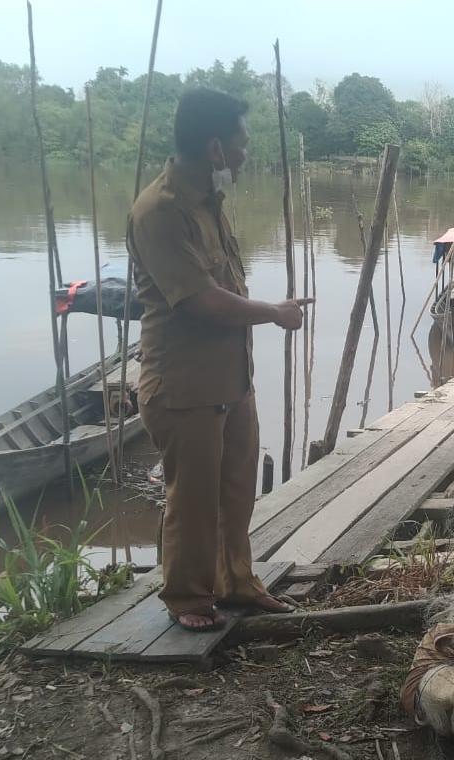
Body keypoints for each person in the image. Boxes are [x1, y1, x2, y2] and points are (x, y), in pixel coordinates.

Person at [127, 88, 311, 631]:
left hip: (232, 380)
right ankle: (186, 597)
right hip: (184, 386)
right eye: (241, 143)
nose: (245, 153)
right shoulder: (160, 211)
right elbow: (202, 300)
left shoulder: (209, 200)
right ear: (214, 147)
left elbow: (223, 286)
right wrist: (274, 313)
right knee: (192, 499)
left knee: (235, 490)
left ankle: (236, 582)